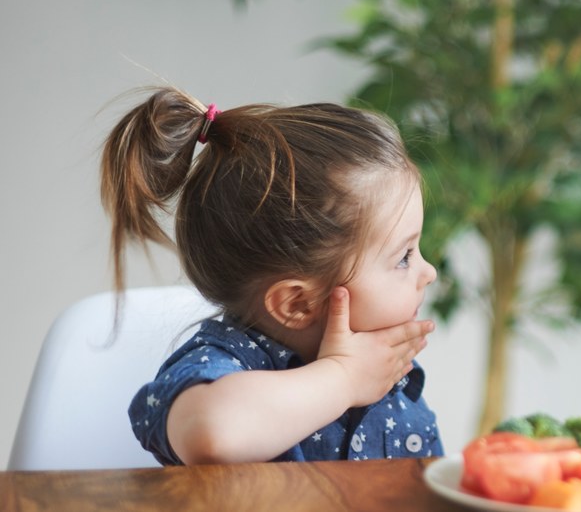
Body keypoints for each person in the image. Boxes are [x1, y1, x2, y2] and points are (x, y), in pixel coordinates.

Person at [101, 87, 443, 465]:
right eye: (404, 257)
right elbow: (212, 432)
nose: (428, 272)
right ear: (297, 303)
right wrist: (343, 379)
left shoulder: (389, 379)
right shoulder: (223, 364)